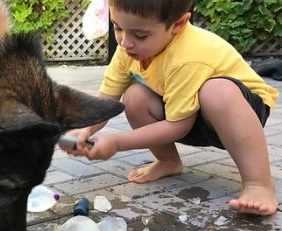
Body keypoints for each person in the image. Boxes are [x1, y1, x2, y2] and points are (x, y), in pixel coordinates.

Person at [63, 0, 279, 215]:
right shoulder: (126, 51)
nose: (125, 42)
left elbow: (178, 127)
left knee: (216, 91)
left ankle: (258, 185)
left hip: (241, 112)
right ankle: (168, 161)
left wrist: (116, 142)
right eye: (118, 27)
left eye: (140, 35)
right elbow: (105, 103)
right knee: (135, 96)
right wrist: (84, 129)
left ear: (178, 24)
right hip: (190, 113)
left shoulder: (189, 54)